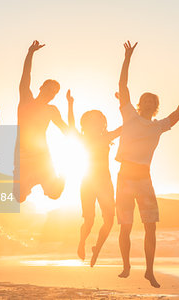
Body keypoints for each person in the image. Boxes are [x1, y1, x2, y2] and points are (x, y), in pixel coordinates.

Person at [115, 40, 179, 288]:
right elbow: (123, 85)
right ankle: (126, 266)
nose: (150, 105)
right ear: (140, 104)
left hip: (144, 178)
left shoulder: (158, 126)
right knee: (126, 226)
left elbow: (178, 113)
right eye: (147, 101)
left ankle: (149, 271)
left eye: (154, 103)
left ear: (156, 108)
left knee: (150, 227)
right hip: (124, 177)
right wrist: (127, 58)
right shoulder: (129, 114)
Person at [66, 89, 121, 267]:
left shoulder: (106, 137)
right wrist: (70, 104)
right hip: (88, 182)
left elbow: (125, 126)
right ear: (86, 125)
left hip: (105, 183)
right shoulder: (81, 139)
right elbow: (71, 124)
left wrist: (122, 102)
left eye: (98, 122)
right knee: (89, 220)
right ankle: (82, 242)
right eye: (91, 122)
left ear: (103, 124)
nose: (95, 125)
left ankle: (97, 248)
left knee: (109, 220)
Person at [15, 40, 69, 203]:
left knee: (54, 193)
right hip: (22, 154)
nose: (51, 94)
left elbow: (65, 129)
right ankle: (28, 184)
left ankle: (58, 175)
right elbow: (25, 77)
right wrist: (30, 53)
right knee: (19, 197)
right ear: (41, 88)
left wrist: (83, 138)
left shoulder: (51, 110)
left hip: (42, 156)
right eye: (49, 89)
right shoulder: (26, 100)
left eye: (54, 92)